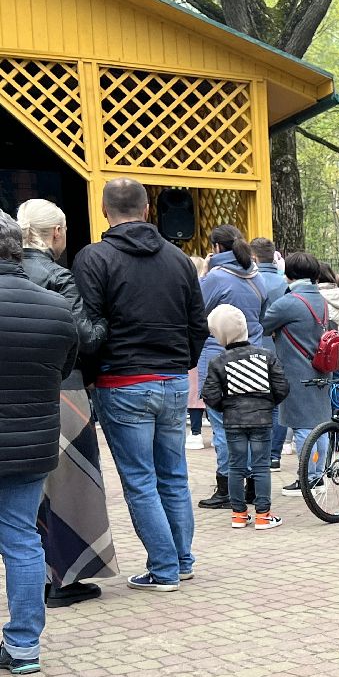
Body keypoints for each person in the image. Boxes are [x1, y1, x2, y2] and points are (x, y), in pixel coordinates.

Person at [74, 177, 206, 592]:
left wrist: (93, 376)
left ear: (103, 210)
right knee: (173, 477)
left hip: (123, 380)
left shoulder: (93, 259)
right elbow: (197, 325)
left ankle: (165, 569)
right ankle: (181, 561)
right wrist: (180, 363)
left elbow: (89, 328)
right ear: (148, 209)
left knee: (141, 482)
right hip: (171, 379)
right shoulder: (179, 259)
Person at [17, 200, 120, 609]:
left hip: (17, 391)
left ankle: (36, 576)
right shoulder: (58, 277)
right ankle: (66, 578)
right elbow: (86, 338)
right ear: (57, 232)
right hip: (65, 388)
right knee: (70, 489)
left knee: (30, 490)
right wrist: (107, 319)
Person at [0, 209, 81, 671]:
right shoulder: (54, 307)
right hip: (31, 442)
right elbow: (65, 367)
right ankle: (24, 646)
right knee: (21, 539)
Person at [197, 226, 270, 510]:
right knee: (248, 423)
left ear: (216, 248)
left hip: (218, 356)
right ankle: (252, 486)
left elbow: (196, 311)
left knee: (222, 426)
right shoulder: (257, 276)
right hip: (253, 355)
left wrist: (203, 275)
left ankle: (227, 486)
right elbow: (262, 317)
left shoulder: (215, 278)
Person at [200, 304, 289, 531]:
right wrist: (267, 404)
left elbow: (209, 395)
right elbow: (281, 387)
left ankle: (239, 515)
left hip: (233, 420)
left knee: (235, 466)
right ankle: (263, 515)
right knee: (261, 466)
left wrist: (226, 407)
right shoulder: (265, 356)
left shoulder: (218, 362)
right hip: (261, 419)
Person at [260, 252, 331, 496]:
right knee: (319, 425)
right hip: (321, 370)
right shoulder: (321, 300)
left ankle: (308, 478)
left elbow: (263, 324)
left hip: (296, 372)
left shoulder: (288, 302)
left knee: (302, 428)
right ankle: (319, 475)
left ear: (288, 273)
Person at [252, 237, 290, 471]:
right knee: (277, 403)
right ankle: (274, 454)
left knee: (254, 403)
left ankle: (258, 453)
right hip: (278, 349)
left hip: (253, 347)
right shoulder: (283, 284)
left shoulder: (248, 281)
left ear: (253, 257)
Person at [186, 255, 209, 450]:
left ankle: (195, 432)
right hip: (209, 342)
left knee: (194, 392)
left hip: (195, 345)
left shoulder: (197, 287)